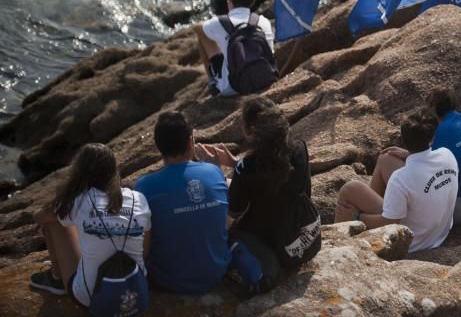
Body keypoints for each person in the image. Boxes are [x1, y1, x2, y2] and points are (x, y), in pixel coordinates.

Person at [195, 97, 316, 286]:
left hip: (279, 248)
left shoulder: (247, 169)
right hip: (308, 239)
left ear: (250, 133)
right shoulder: (299, 148)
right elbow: (272, 175)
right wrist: (235, 162)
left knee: (218, 226)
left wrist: (214, 171)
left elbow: (231, 213)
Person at [29, 144, 151, 308]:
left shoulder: (76, 201)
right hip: (137, 291)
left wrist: (64, 197)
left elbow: (38, 217)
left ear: (80, 172)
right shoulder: (138, 199)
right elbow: (146, 250)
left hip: (91, 297)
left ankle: (57, 278)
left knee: (55, 222)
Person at [334, 109, 459, 253]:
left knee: (350, 189)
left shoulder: (400, 178)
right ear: (432, 138)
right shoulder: (447, 155)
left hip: (412, 241)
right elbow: (425, 159)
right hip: (438, 233)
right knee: (386, 158)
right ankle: (368, 224)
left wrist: (357, 217)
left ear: (404, 140)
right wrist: (409, 154)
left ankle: (338, 247)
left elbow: (390, 223)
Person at [135, 111, 231, 294]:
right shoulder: (213, 171)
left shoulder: (144, 186)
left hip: (170, 279)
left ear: (159, 146)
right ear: (190, 142)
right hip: (217, 271)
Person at [382, 92, 461, 226]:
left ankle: (381, 212)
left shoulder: (437, 133)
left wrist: (409, 155)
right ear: (455, 104)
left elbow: (426, 164)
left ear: (432, 111)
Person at [193, 0, 276, 96]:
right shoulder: (264, 22)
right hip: (265, 79)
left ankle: (213, 81)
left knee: (202, 36)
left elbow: (196, 28)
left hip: (232, 88)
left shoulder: (219, 23)